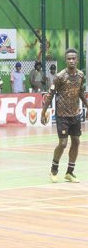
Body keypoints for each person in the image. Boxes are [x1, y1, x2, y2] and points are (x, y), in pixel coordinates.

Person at [41, 48, 88, 183]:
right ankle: (54, 169)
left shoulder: (80, 75)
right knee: (63, 143)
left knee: (76, 141)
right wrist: (43, 112)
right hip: (62, 115)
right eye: (69, 59)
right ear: (65, 60)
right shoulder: (60, 76)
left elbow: (81, 92)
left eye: (73, 58)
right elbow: (50, 95)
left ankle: (70, 172)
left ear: (77, 60)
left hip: (75, 114)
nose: (71, 60)